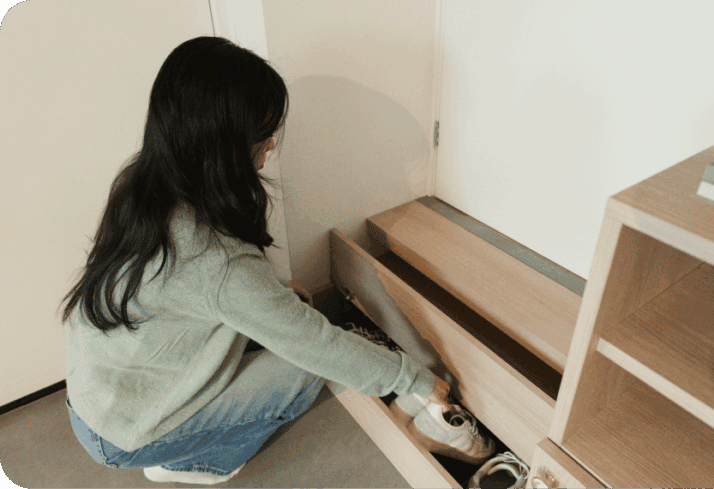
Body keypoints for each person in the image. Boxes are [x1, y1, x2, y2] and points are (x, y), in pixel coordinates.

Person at [58, 36, 449, 486]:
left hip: (99, 395)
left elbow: (190, 289)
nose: (269, 147)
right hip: (128, 432)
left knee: (291, 309)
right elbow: (315, 345)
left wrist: (275, 295)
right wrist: (413, 379)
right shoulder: (215, 258)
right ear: (222, 146)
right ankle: (201, 462)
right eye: (262, 137)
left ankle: (182, 442)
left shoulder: (142, 183)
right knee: (305, 366)